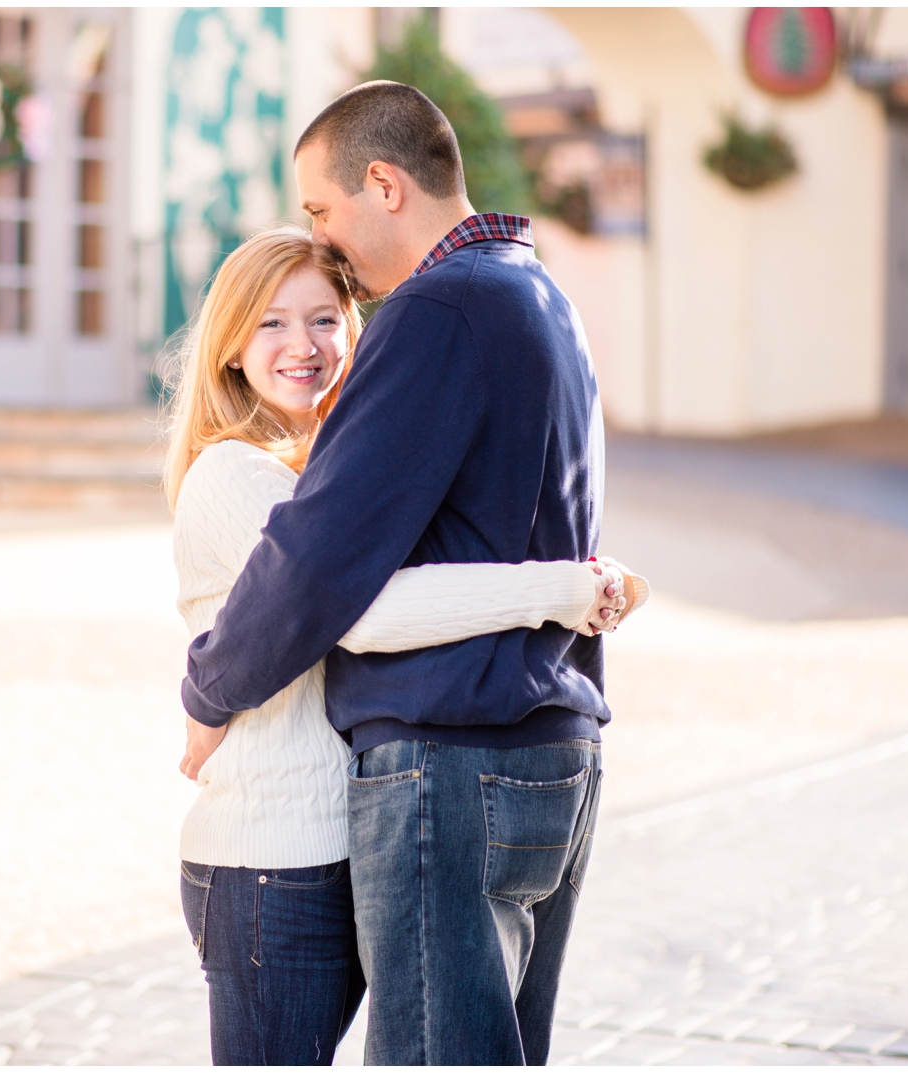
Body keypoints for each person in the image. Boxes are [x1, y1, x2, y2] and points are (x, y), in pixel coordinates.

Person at [177, 82, 629, 1066]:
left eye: (322, 211)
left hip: (453, 760)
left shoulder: (437, 310)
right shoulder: (539, 294)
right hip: (557, 744)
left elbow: (319, 561)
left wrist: (209, 687)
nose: (326, 240)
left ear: (382, 184)